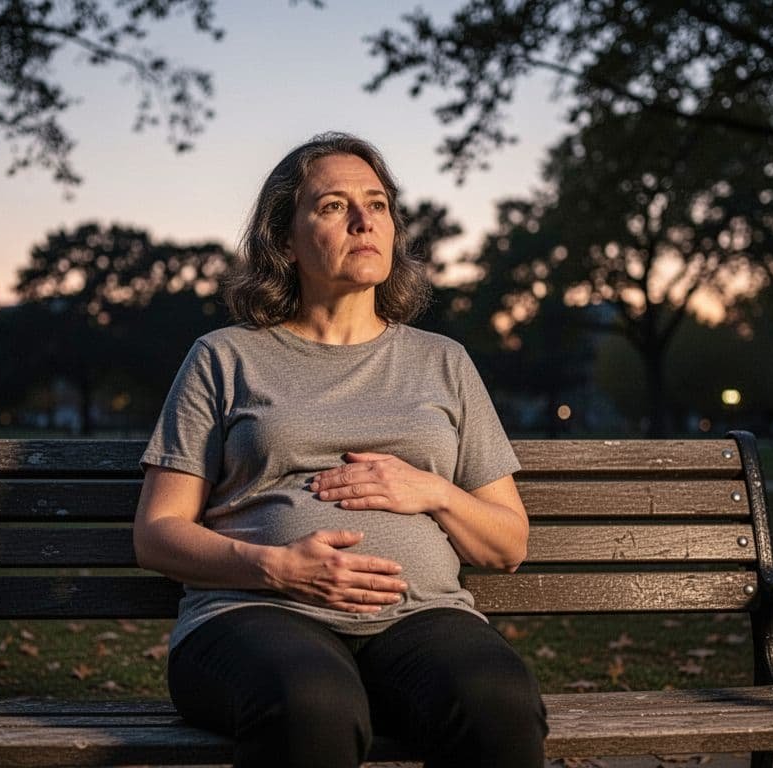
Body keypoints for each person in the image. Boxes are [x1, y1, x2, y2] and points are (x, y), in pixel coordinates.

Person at [134, 132, 547, 768]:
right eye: (333, 206)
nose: (363, 221)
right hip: (254, 614)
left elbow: (507, 544)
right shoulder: (225, 357)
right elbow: (158, 534)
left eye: (377, 204)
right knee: (314, 706)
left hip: (420, 619)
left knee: (499, 703)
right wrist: (276, 567)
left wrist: (432, 490)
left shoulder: (444, 363)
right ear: (284, 238)